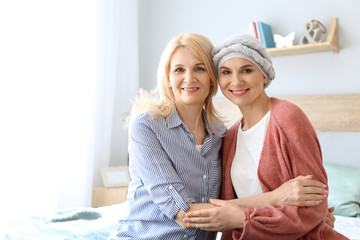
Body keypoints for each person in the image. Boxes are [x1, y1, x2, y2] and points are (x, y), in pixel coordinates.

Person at [109, 33, 329, 240]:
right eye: (178, 70)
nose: (189, 78)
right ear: (167, 78)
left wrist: (313, 218)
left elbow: (230, 203)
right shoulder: (146, 126)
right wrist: (276, 198)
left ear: (211, 78)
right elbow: (185, 214)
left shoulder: (220, 134)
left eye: (199, 68)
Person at [183, 34, 348, 239]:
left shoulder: (289, 118)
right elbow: (225, 215)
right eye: (226, 72)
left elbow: (313, 207)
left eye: (247, 70)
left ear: (264, 75)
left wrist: (243, 219)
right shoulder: (229, 135)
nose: (236, 81)